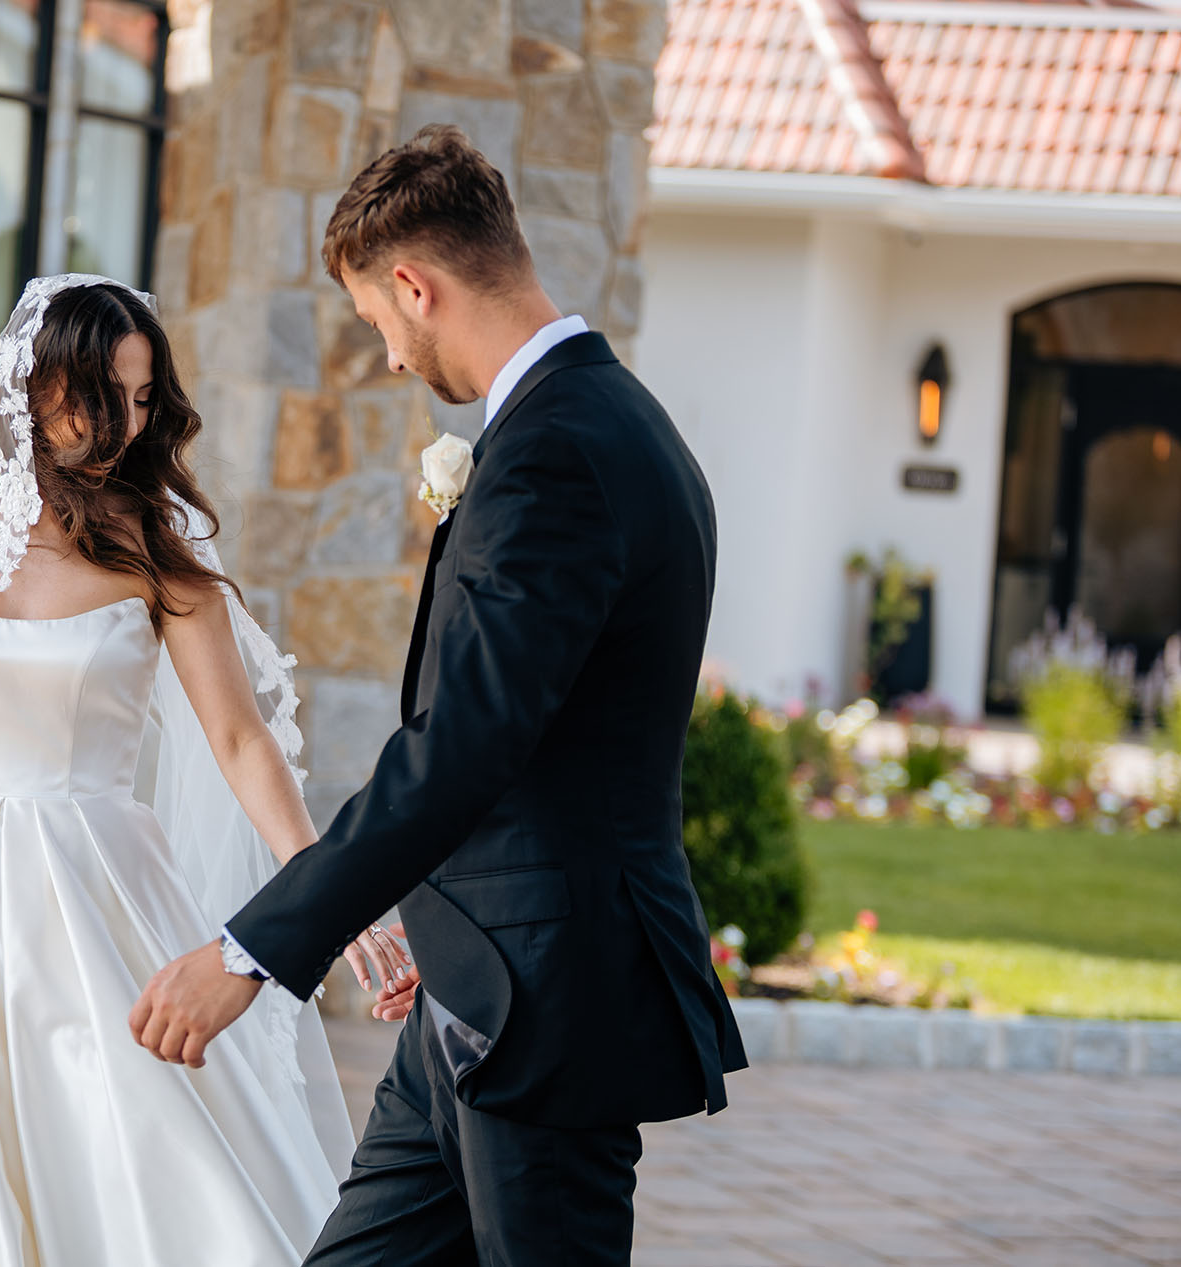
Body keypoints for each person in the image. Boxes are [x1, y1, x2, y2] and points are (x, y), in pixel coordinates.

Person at [129, 125, 749, 1265]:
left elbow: (464, 742)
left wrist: (249, 954)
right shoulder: (612, 423)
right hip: (476, 992)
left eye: (378, 324)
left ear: (415, 286)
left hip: (543, 1009)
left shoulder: (557, 451)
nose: (393, 360)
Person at [0, 276, 405, 1265]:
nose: (121, 419)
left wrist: (337, 891)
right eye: (98, 390)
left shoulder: (156, 545)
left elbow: (241, 742)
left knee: (138, 1139)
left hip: (97, 882)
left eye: (143, 395)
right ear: (28, 388)